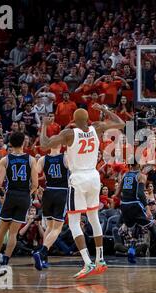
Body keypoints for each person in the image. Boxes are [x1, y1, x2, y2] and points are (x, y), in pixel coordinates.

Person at [39, 104, 125, 279]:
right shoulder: (97, 128)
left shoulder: (69, 134)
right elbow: (121, 123)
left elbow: (44, 144)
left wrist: (44, 125)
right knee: (94, 218)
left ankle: (88, 263)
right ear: (87, 119)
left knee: (74, 222)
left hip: (78, 178)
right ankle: (100, 259)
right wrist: (105, 109)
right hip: (94, 177)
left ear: (74, 121)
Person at [0, 131, 39, 276]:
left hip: (10, 195)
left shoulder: (5, 160)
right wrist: (27, 195)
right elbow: (35, 184)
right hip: (24, 196)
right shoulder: (31, 160)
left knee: (1, 230)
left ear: (10, 143)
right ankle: (5, 261)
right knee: (13, 233)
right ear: (24, 142)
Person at [116, 163, 156, 264]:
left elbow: (117, 193)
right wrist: (147, 209)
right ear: (139, 165)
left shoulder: (125, 175)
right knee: (152, 225)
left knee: (137, 225)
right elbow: (141, 194)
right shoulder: (141, 176)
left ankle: (132, 250)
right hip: (134, 204)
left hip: (124, 205)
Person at [32, 145, 69, 270]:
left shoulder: (42, 159)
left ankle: (44, 257)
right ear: (61, 144)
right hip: (61, 193)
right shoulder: (65, 157)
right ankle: (42, 251)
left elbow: (35, 173)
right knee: (57, 229)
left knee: (49, 227)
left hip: (48, 193)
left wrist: (37, 188)